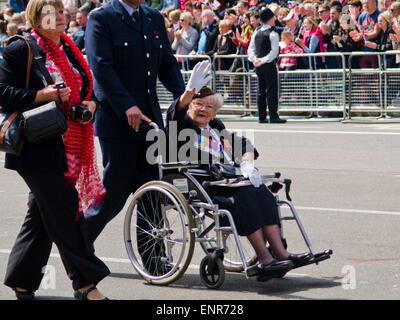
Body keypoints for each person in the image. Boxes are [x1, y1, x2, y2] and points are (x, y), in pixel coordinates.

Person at [0, 0, 110, 300]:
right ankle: (86, 284)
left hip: (69, 143)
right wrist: (41, 94)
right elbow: (2, 93)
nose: (62, 17)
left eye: (63, 12)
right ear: (37, 17)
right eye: (54, 13)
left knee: (40, 217)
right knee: (66, 211)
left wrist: (91, 104)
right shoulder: (20, 48)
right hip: (36, 147)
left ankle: (22, 281)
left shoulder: (69, 48)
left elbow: (85, 87)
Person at [165, 61, 312, 278]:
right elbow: (173, 115)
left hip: (227, 181)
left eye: (209, 107)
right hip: (200, 183)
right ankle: (264, 258)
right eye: (198, 104)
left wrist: (247, 164)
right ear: (190, 107)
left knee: (263, 192)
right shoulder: (182, 125)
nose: (203, 109)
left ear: (214, 114)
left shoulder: (216, 128)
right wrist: (189, 92)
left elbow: (245, 145)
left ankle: (281, 253)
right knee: (245, 197)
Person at [83, 0, 185, 251]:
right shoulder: (102, 18)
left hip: (149, 121)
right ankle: (78, 243)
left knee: (151, 191)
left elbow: (167, 64)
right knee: (115, 192)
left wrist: (186, 97)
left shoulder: (153, 17)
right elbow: (101, 67)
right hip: (118, 121)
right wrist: (127, 104)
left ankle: (154, 257)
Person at [248, 8, 286, 124]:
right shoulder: (273, 33)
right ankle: (273, 116)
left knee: (261, 91)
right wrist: (263, 60)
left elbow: (251, 49)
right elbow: (274, 52)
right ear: (270, 19)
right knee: (271, 90)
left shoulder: (256, 32)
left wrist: (255, 60)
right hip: (268, 65)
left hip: (258, 65)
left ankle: (262, 116)